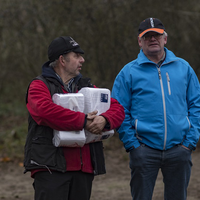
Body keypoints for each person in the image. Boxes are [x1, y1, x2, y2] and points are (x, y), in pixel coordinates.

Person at [24, 36, 125, 200]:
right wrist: (84, 121)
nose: (82, 60)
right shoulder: (39, 85)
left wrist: (104, 119)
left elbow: (118, 108)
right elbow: (45, 111)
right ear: (62, 60)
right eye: (77, 56)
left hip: (83, 169)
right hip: (50, 168)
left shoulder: (87, 87)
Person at [111, 17, 200, 200]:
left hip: (179, 150)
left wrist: (189, 143)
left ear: (165, 39)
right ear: (139, 41)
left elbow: (196, 105)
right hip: (144, 150)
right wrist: (133, 145)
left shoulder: (184, 68)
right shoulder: (128, 72)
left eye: (157, 35)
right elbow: (119, 110)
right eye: (148, 36)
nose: (153, 39)